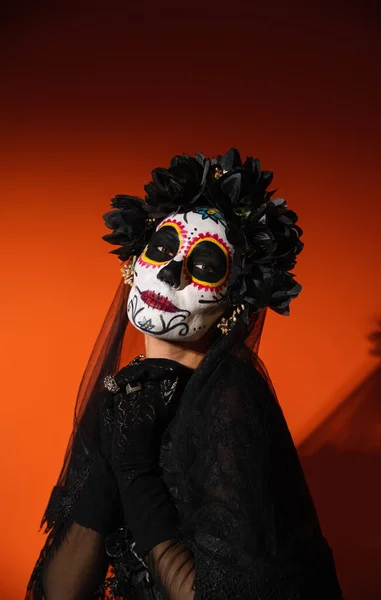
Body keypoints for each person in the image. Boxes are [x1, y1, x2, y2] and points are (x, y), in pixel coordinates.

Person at [26, 148, 343, 599]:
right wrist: (110, 463)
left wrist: (136, 474)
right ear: (134, 263)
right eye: (162, 249)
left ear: (234, 302)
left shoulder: (228, 399)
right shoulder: (125, 391)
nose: (173, 273)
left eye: (207, 266)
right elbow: (59, 593)